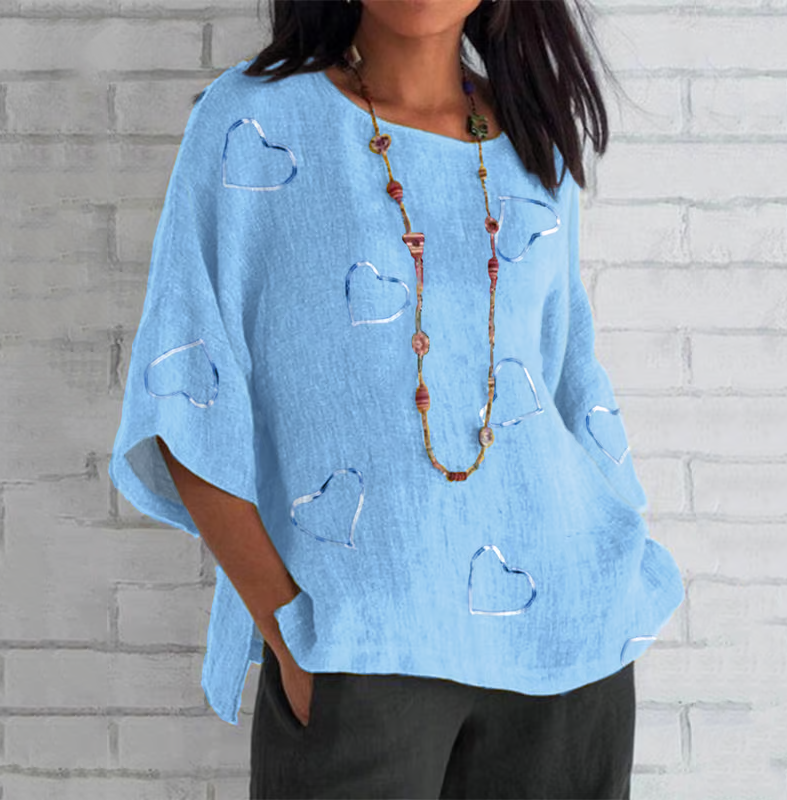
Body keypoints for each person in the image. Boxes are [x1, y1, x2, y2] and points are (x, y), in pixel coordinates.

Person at [108, 0, 686, 797]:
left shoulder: (532, 139)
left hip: (568, 643)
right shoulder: (253, 121)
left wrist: (621, 560)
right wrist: (291, 635)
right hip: (362, 651)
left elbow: (562, 379)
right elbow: (183, 399)